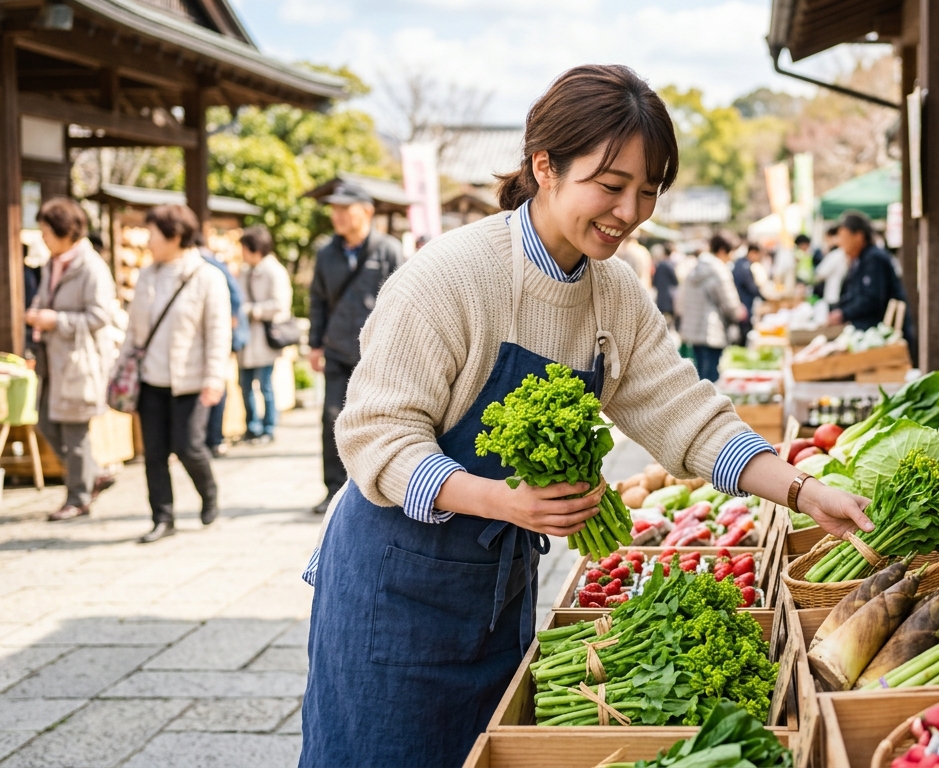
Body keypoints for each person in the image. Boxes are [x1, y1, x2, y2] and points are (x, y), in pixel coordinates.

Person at [297, 66, 872, 766]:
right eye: (611, 184)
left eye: (649, 190)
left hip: (495, 591)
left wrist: (804, 491)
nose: (629, 211)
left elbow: (685, 412)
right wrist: (505, 501)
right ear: (545, 166)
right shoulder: (450, 276)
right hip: (393, 587)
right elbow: (376, 438)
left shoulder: (614, 294)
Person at [124, 204, 230, 543]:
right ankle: (163, 517)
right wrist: (124, 366)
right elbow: (134, 330)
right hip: (150, 379)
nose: (148, 240)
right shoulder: (147, 275)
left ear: (175, 236)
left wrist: (214, 378)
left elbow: (218, 333)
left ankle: (208, 491)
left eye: (153, 233)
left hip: (191, 380)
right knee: (154, 453)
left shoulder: (207, 276)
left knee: (188, 447)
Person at [307, 182, 404, 515]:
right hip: (337, 349)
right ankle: (333, 490)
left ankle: (378, 486)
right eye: (334, 209)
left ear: (367, 211)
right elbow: (318, 300)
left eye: (344, 209)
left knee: (381, 420)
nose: (337, 216)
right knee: (331, 418)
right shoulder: (326, 253)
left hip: (377, 354)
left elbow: (404, 301)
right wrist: (315, 344)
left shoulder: (388, 250)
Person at [24, 198, 117, 521]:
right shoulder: (52, 263)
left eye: (46, 231)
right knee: (45, 422)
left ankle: (78, 497)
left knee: (74, 433)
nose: (43, 237)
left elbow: (100, 316)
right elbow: (45, 298)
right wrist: (37, 314)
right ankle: (94, 475)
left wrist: (56, 320)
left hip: (79, 361)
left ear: (64, 231)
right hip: (52, 359)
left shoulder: (91, 267)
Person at [237, 226, 293, 445]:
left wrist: (252, 310)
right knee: (245, 386)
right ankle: (252, 427)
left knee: (265, 385)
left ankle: (269, 427)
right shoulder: (244, 271)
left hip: (264, 339)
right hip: (246, 339)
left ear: (255, 249)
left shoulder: (274, 271)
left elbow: (280, 305)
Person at [196, 233, 245, 458]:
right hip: (206, 336)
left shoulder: (208, 264)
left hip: (214, 335)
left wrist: (228, 319)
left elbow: (235, 296)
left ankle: (214, 439)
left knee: (215, 383)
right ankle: (212, 439)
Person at [828, 211, 909, 331]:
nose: (840, 243)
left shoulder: (874, 258)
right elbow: (852, 295)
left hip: (881, 331)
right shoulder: (859, 260)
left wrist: (843, 314)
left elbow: (872, 299)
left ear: (859, 236)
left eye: (844, 237)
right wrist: (838, 310)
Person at [678, 234, 743, 381]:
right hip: (712, 330)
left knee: (701, 375)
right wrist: (738, 314)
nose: (733, 257)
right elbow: (730, 304)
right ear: (722, 250)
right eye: (732, 252)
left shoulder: (695, 268)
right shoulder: (719, 270)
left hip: (694, 330)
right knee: (711, 378)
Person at [732, 242, 763, 341]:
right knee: (745, 331)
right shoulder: (744, 266)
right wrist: (764, 297)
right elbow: (751, 287)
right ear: (753, 252)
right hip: (744, 302)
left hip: (741, 301)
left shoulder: (740, 263)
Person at [814, 224, 848, 308]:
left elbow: (820, 273)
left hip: (833, 297)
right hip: (842, 297)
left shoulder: (836, 254)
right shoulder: (846, 253)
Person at [651, 241, 679, 326]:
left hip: (660, 297)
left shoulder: (659, 265)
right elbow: (675, 281)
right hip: (669, 297)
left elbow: (654, 281)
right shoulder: (670, 265)